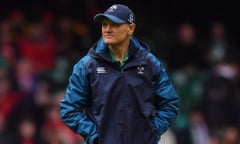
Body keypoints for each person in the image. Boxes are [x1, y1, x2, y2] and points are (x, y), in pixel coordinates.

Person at [59, 4, 179, 144]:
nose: (107, 30)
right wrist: (95, 136)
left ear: (130, 28)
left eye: (114, 25)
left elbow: (169, 103)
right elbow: (69, 109)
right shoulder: (87, 66)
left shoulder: (150, 64)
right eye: (104, 25)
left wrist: (151, 132)